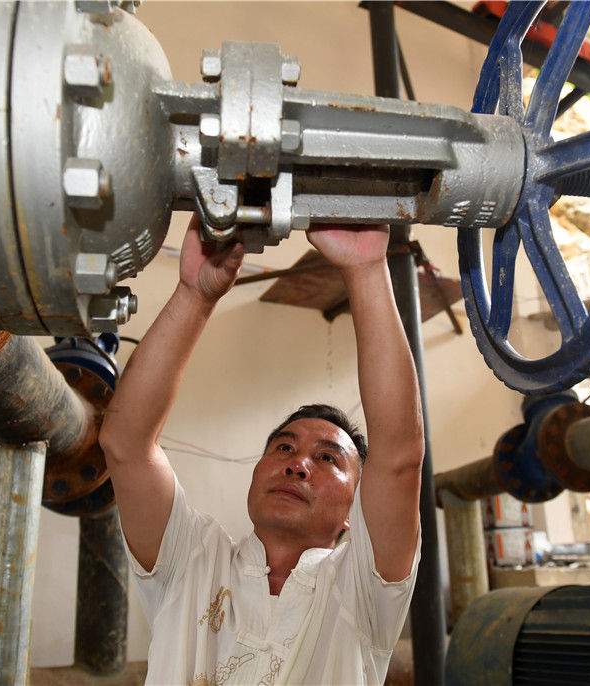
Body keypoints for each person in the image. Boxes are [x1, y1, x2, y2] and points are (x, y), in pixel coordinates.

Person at [99, 214, 424, 685]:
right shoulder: (193, 561)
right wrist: (194, 295)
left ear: (357, 509)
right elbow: (125, 445)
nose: (298, 465)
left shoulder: (362, 589)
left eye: (327, 458)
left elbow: (399, 460)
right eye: (284, 447)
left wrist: (367, 269)